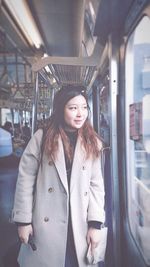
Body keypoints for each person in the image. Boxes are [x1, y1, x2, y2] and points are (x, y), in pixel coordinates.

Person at [12, 85, 105, 267]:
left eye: (84, 107)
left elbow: (96, 184)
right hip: (46, 221)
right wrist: (23, 221)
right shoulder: (42, 137)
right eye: (73, 108)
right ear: (61, 109)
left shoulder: (91, 141)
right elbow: (25, 179)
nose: (80, 113)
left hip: (79, 221)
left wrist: (95, 224)